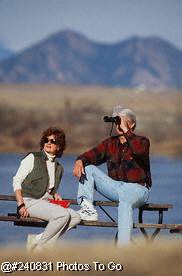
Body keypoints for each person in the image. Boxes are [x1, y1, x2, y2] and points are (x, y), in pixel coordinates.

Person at [73, 106, 151, 246]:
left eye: (121, 121)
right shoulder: (110, 143)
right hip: (116, 188)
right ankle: (87, 209)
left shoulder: (142, 141)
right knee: (89, 168)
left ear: (132, 124)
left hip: (138, 189)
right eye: (117, 122)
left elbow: (139, 151)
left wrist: (126, 131)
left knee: (125, 202)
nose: (118, 124)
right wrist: (80, 160)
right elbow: (91, 155)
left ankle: (123, 248)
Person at [13, 127, 81, 251]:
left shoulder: (59, 168)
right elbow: (16, 181)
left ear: (59, 146)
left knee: (76, 217)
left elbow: (48, 187)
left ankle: (38, 240)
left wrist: (55, 194)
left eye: (53, 141)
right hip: (29, 201)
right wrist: (20, 205)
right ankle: (40, 248)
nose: (48, 143)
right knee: (62, 215)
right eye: (46, 140)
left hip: (45, 202)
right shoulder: (33, 157)